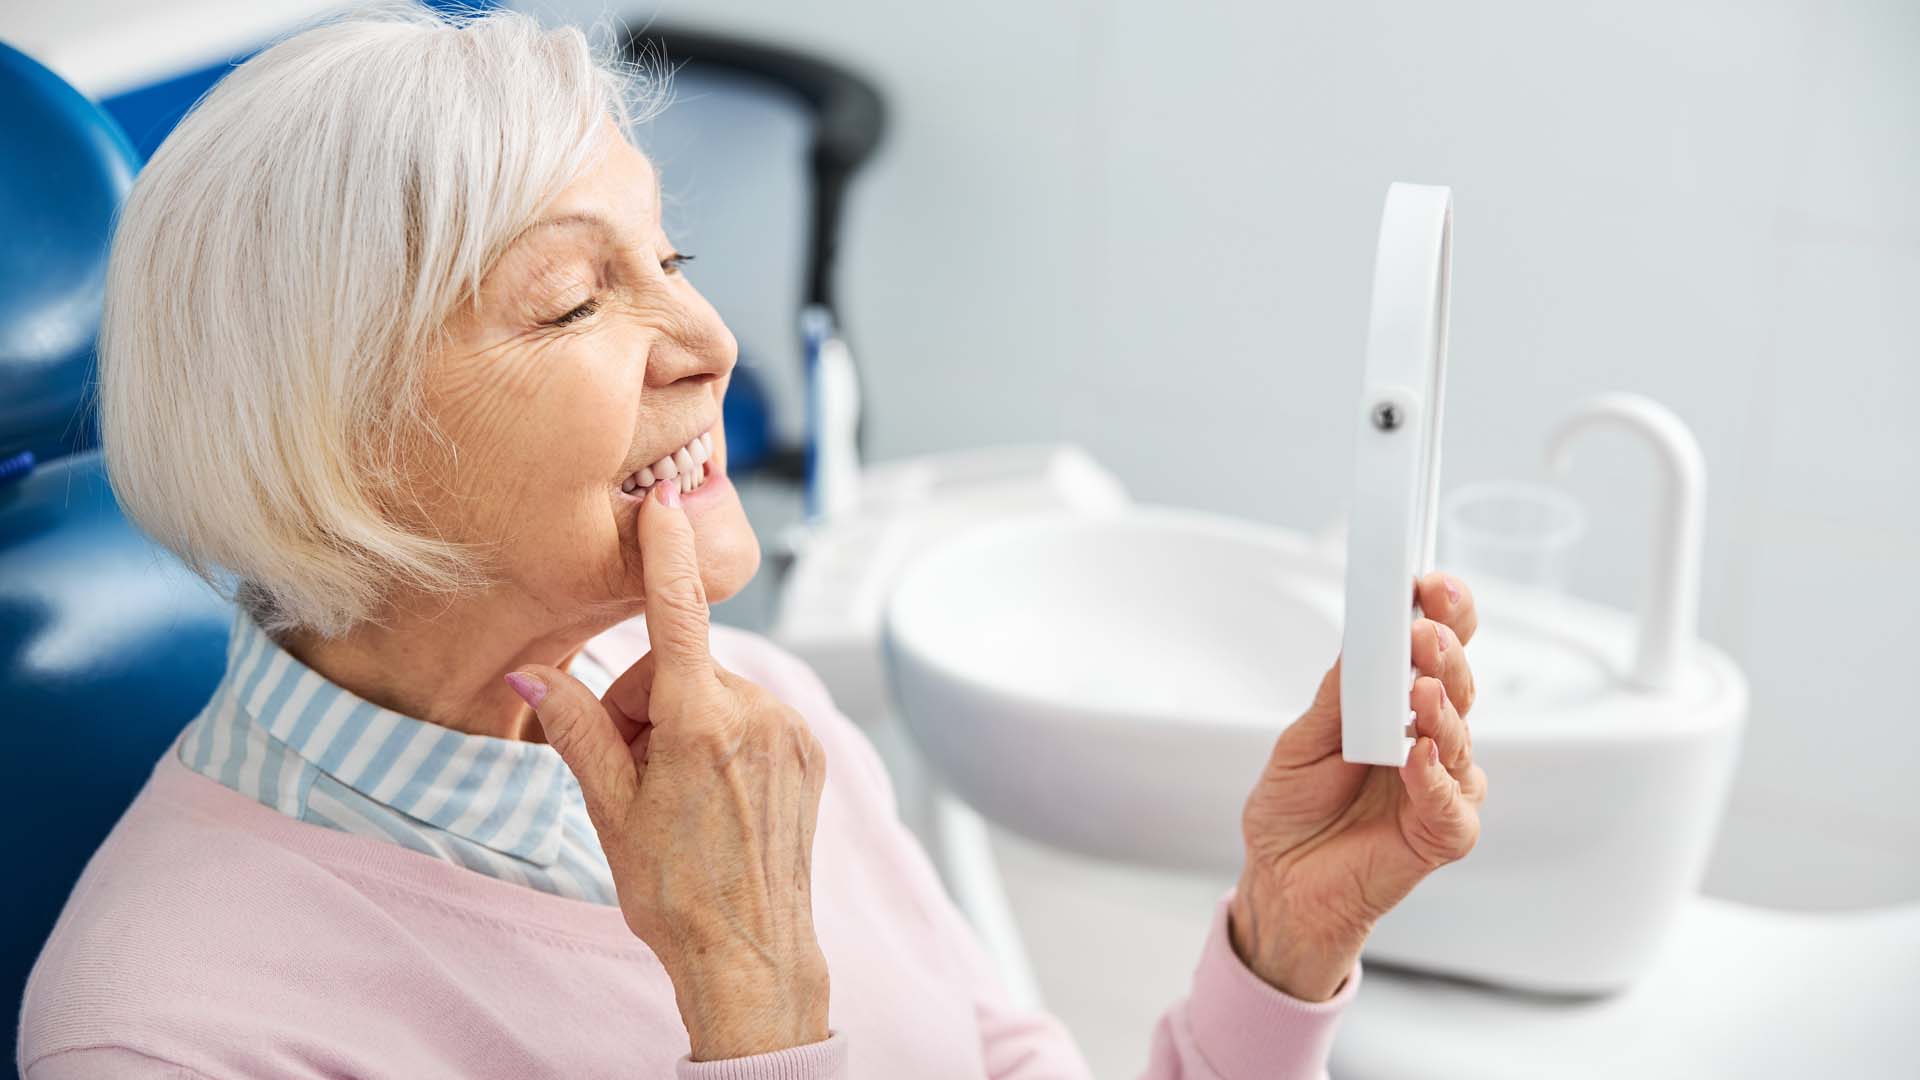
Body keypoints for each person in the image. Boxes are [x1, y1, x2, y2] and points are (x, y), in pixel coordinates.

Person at [17, 8, 1485, 1078]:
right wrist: (751, 998)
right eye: (576, 303)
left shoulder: (761, 727)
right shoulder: (167, 1035)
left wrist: (1277, 953)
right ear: (335, 442)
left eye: (674, 262)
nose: (712, 343)